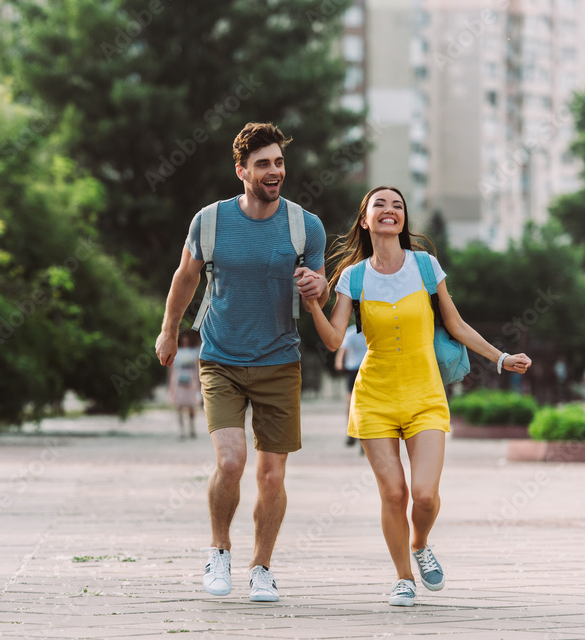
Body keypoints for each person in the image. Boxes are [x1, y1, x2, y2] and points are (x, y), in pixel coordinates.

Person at [301, 186, 531, 607]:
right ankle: (403, 578)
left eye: (398, 206)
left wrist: (501, 358)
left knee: (424, 495)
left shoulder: (426, 266)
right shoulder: (353, 276)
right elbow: (334, 340)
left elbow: (456, 325)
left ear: (403, 219)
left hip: (425, 395)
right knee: (393, 493)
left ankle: (420, 544)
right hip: (374, 397)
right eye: (380, 206)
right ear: (365, 220)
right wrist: (313, 304)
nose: (390, 211)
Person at [155, 122, 328, 603]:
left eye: (278, 162)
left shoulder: (304, 225)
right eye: (263, 164)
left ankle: (262, 567)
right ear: (241, 171)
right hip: (220, 357)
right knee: (230, 462)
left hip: (279, 359)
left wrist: (318, 287)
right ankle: (219, 550)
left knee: (272, 476)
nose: (274, 172)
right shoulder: (209, 221)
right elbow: (185, 278)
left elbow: (321, 281)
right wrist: (169, 329)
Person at [334, 324, 367, 447]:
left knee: (364, 401)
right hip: (354, 369)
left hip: (367, 368)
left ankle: (365, 429)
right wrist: (339, 362)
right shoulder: (352, 332)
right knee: (350, 400)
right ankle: (350, 431)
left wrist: (339, 363)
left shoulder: (374, 330)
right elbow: (343, 350)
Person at [168, 330, 202, 439]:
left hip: (191, 379)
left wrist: (199, 382)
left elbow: (197, 368)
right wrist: (170, 383)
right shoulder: (176, 352)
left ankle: (192, 428)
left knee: (192, 406)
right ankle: (181, 430)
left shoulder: (194, 352)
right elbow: (172, 368)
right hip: (178, 379)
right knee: (179, 406)